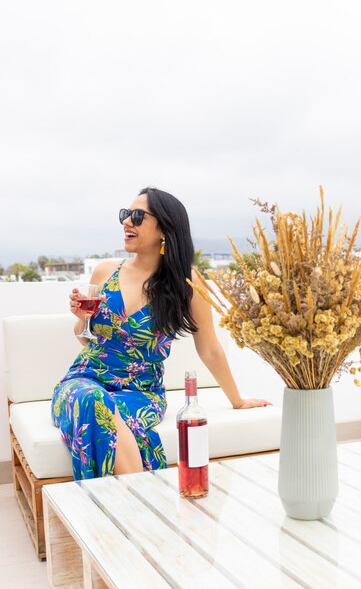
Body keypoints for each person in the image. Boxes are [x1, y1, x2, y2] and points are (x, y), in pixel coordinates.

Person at [51, 186, 273, 480]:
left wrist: (237, 399)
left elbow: (209, 348)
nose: (127, 222)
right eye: (126, 215)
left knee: (107, 414)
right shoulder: (105, 272)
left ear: (165, 229)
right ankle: (139, 505)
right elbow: (86, 337)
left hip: (141, 392)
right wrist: (82, 319)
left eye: (138, 216)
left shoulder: (187, 284)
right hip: (85, 380)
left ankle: (118, 511)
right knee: (94, 401)